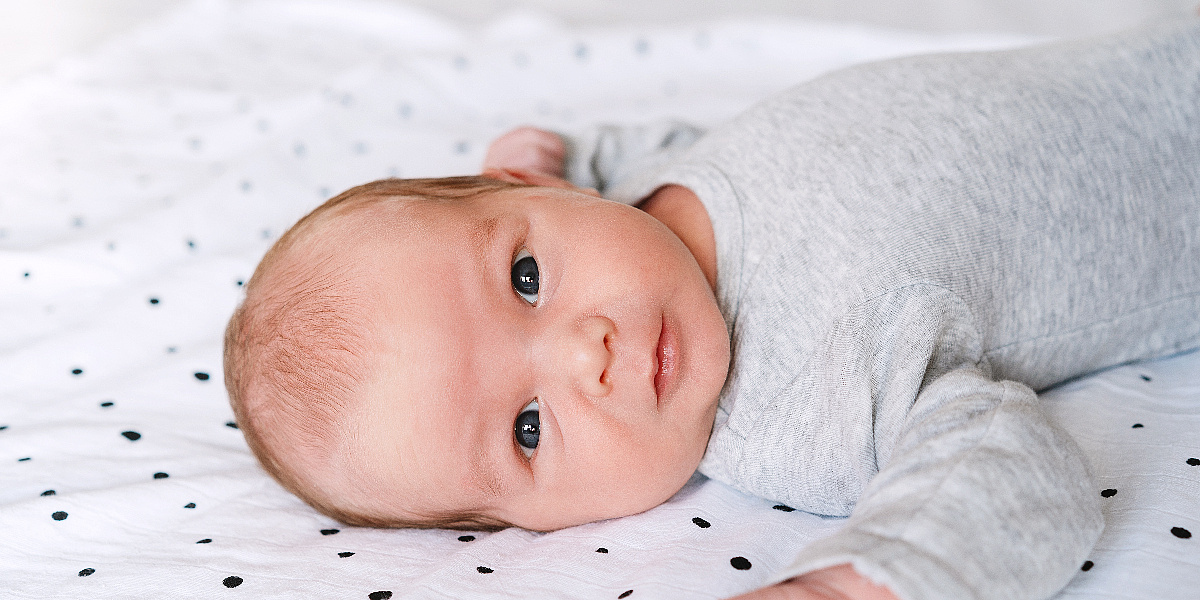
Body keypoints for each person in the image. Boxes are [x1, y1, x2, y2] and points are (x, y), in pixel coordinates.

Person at [223, 18, 1200, 600]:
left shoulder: (635, 186)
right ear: (529, 528)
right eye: (528, 428)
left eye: (526, 279)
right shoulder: (800, 408)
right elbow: (1008, 464)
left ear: (528, 187)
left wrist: (556, 160)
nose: (586, 355)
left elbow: (589, 162)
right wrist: (860, 578)